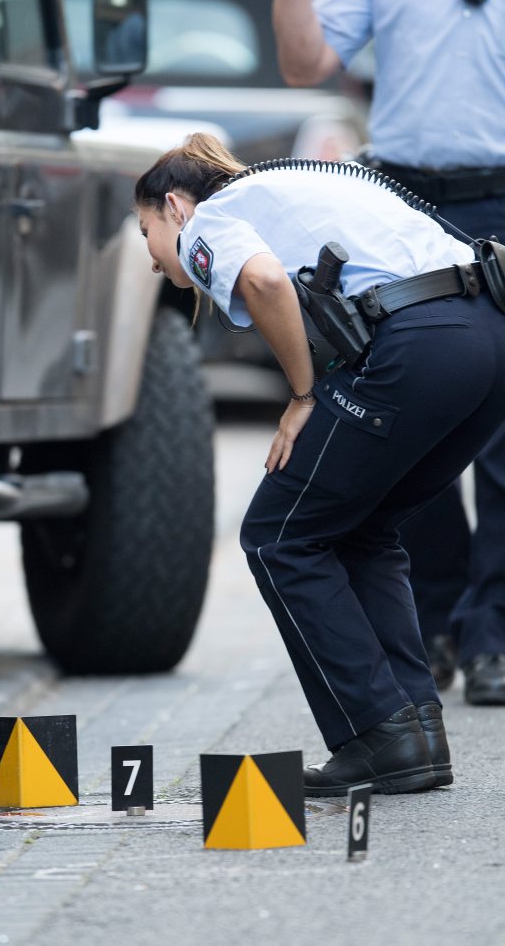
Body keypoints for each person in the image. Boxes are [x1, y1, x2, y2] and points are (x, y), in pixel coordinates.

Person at [134, 131, 505, 794]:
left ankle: (378, 732)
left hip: (422, 341)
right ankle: (414, 733)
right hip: (488, 334)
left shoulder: (210, 218)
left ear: (173, 207)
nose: (155, 263)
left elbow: (266, 280)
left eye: (145, 235)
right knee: (361, 525)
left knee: (279, 533)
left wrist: (302, 394)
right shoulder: (295, 191)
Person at [271, 0, 505, 705]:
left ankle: (493, 633)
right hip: (405, 206)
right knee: (413, 421)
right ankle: (433, 620)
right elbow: (306, 63)